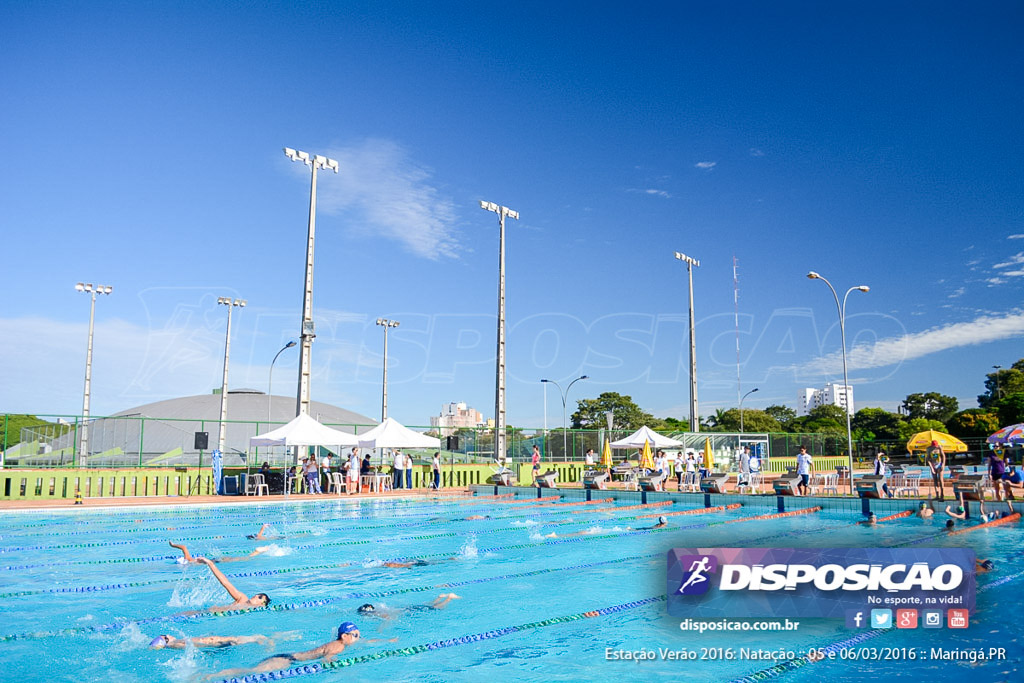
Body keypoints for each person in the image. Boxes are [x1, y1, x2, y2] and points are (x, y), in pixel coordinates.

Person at [209, 622, 362, 680]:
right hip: (286, 660)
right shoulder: (338, 646)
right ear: (344, 636)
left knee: (251, 671)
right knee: (250, 672)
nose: (358, 638)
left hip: (288, 658)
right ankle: (212, 676)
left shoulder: (339, 643)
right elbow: (327, 658)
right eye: (356, 635)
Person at [188, 557, 270, 614]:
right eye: (257, 594)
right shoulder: (242, 599)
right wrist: (210, 564)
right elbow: (225, 583)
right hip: (206, 612)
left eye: (259, 597)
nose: (255, 596)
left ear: (262, 604)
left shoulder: (254, 611)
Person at [356, 593, 460, 620]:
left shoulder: (377, 613)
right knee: (426, 606)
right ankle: (439, 597)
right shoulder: (380, 608)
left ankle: (449, 598)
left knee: (436, 608)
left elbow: (388, 617)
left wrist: (381, 628)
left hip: (407, 611)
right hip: (407, 608)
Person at [170, 541, 269, 564]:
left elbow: (183, 547)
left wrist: (172, 545)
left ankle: (256, 552)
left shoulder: (189, 561)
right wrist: (173, 545)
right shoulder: (190, 560)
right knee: (242, 558)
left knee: (243, 559)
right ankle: (256, 552)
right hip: (215, 560)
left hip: (216, 561)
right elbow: (183, 547)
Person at [149, 633, 270, 650]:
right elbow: (192, 645)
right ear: (165, 639)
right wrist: (211, 644)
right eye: (164, 635)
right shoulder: (173, 644)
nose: (167, 634)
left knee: (236, 639)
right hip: (213, 644)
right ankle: (258, 639)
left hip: (211, 642)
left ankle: (257, 639)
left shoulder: (174, 642)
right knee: (235, 641)